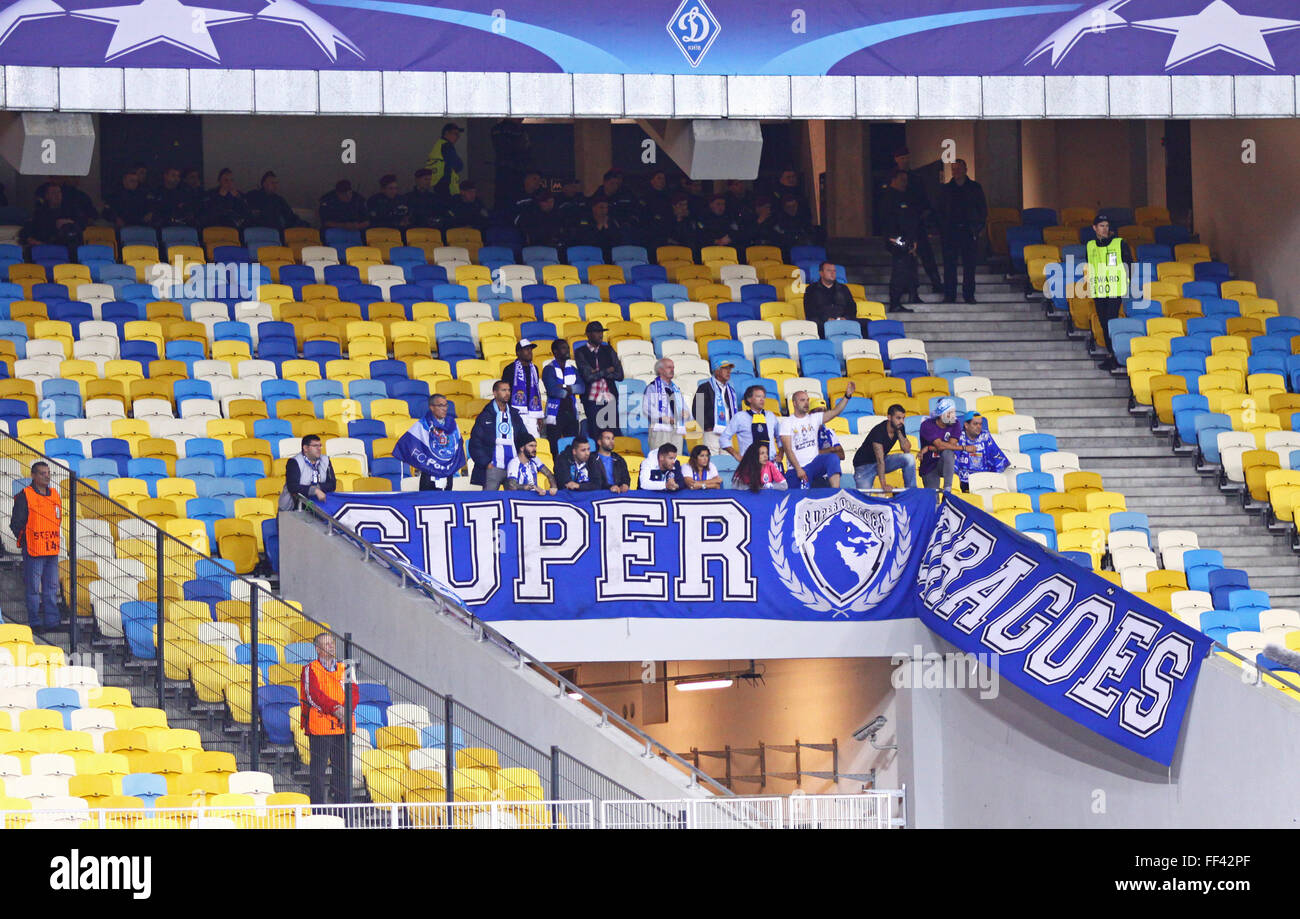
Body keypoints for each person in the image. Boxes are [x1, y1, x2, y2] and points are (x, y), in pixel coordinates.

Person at [300, 632, 352, 805]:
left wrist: (347, 709)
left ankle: (343, 811)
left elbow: (355, 692)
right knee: (318, 771)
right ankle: (317, 810)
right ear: (318, 649)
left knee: (343, 770)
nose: (330, 646)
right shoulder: (310, 669)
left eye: (332, 643)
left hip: (342, 726)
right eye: (326, 644)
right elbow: (312, 695)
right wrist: (336, 708)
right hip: (320, 726)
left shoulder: (347, 667)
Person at [9, 462, 61, 630]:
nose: (47, 476)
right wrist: (26, 541)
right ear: (33, 475)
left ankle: (52, 622)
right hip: (33, 551)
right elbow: (16, 523)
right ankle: (35, 623)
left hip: (52, 549)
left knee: (51, 588)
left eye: (48, 473)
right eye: (42, 473)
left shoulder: (55, 494)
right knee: (33, 589)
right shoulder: (25, 495)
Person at [780, 383, 856, 489]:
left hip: (814, 465)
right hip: (796, 468)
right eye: (802, 400)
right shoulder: (787, 422)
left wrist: (847, 396)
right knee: (799, 499)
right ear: (794, 403)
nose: (806, 403)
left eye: (807, 400)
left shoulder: (814, 418)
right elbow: (788, 450)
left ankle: (836, 492)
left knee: (833, 458)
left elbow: (835, 412)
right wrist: (798, 469)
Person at [890, 146, 943, 295]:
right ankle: (909, 288)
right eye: (901, 158)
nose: (904, 161)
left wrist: (923, 216)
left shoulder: (916, 179)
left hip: (916, 223)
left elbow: (924, 200)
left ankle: (936, 282)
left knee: (927, 255)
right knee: (906, 258)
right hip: (902, 227)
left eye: (906, 158)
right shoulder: (892, 179)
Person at [937, 158, 987, 304]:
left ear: (965, 170)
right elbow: (939, 210)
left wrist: (978, 227)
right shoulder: (946, 189)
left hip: (968, 230)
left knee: (969, 266)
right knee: (949, 265)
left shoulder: (975, 188)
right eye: (953, 169)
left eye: (958, 169)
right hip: (950, 231)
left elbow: (982, 209)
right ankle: (949, 295)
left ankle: (969, 295)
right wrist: (942, 228)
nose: (956, 172)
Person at [1088, 212, 1133, 371]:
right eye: (1101, 226)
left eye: (1106, 226)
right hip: (1099, 290)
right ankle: (1110, 353)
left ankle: (1115, 355)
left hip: (1115, 288)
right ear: (1095, 228)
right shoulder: (1090, 246)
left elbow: (1129, 264)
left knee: (1110, 321)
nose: (1105, 229)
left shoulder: (1119, 243)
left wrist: (1127, 283)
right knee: (1103, 323)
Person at [393, 393, 464, 491]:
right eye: (440, 405)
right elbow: (407, 443)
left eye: (446, 405)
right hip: (429, 472)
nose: (444, 408)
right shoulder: (423, 425)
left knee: (446, 503)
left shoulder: (452, 424)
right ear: (432, 407)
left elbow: (458, 445)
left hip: (448, 472)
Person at [470, 381, 532, 490]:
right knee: (489, 502)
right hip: (493, 467)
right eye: (503, 390)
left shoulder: (514, 415)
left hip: (512, 467)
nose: (507, 393)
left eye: (508, 390)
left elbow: (524, 438)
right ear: (495, 393)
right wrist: (486, 463)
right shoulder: (485, 416)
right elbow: (475, 443)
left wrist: (521, 460)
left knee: (514, 500)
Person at [853, 403, 916, 496]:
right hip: (864, 466)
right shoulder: (878, 432)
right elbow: (880, 460)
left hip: (882, 460)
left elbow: (907, 450)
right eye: (898, 418)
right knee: (864, 499)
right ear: (889, 417)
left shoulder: (899, 427)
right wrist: (884, 484)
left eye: (903, 418)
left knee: (909, 458)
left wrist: (899, 432)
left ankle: (912, 493)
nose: (901, 421)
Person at [575, 321, 623, 438]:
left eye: (601, 332)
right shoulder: (580, 352)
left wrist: (598, 372)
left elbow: (620, 375)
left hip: (609, 398)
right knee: (596, 435)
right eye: (597, 332)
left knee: (613, 435)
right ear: (588, 334)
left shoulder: (608, 349)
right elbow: (588, 377)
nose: (601, 335)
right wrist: (607, 370)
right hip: (592, 400)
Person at [880, 170, 918, 314]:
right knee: (899, 270)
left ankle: (910, 294)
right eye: (902, 180)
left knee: (907, 268)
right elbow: (888, 221)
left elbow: (910, 220)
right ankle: (895, 302)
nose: (905, 183)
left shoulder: (905, 197)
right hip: (896, 240)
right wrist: (893, 238)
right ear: (894, 180)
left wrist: (913, 240)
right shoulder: (888, 198)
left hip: (907, 239)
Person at [721, 384, 782, 464]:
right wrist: (736, 455)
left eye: (763, 397)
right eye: (758, 396)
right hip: (750, 463)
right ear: (749, 399)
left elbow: (779, 437)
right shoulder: (740, 417)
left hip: (770, 463)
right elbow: (723, 438)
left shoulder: (770, 416)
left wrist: (781, 454)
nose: (762, 399)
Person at [918, 398, 968, 493]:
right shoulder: (927, 425)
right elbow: (941, 446)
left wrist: (929, 448)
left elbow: (950, 446)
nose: (953, 416)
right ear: (941, 415)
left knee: (948, 452)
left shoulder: (956, 423)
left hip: (945, 463)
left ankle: (947, 490)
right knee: (933, 499)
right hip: (929, 465)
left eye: (953, 412)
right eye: (949, 413)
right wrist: (963, 448)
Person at [543, 339, 582, 459]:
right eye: (564, 348)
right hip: (555, 414)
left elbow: (581, 388)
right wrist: (570, 390)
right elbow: (553, 391)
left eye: (567, 348)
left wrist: (564, 387)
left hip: (571, 412)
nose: (567, 350)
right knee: (554, 448)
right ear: (555, 351)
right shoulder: (548, 369)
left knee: (573, 446)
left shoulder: (573, 369)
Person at [642, 358, 690, 454]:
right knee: (660, 458)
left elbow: (684, 406)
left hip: (676, 428)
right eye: (669, 367)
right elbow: (647, 408)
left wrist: (686, 413)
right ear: (660, 370)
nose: (672, 370)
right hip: (660, 429)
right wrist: (667, 419)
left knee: (676, 458)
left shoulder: (675, 389)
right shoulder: (652, 387)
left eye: (673, 367)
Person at [953, 411, 1010, 489]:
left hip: (984, 480)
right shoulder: (959, 437)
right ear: (966, 425)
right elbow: (953, 459)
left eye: (980, 424)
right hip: (962, 482)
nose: (979, 426)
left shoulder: (985, 436)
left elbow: (996, 458)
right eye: (975, 424)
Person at [802, 261, 861, 337]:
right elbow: (809, 310)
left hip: (842, 321)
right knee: (814, 323)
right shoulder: (811, 289)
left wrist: (845, 318)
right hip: (822, 322)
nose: (832, 273)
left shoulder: (843, 289)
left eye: (834, 271)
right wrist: (826, 319)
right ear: (821, 273)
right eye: (829, 270)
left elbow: (852, 307)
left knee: (866, 323)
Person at [501, 339, 544, 437]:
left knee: (534, 441)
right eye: (526, 349)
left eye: (530, 349)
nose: (530, 352)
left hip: (532, 413)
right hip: (516, 412)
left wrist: (538, 416)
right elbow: (504, 392)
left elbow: (536, 391)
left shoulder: (534, 369)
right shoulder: (510, 369)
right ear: (518, 353)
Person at [280, 434, 336, 509]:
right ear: (305, 448)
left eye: (320, 445)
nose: (319, 448)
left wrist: (317, 488)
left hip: (319, 506)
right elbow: (293, 487)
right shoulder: (294, 462)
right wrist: (315, 490)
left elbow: (332, 485)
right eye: (315, 446)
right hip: (292, 508)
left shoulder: (326, 460)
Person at [694, 360, 738, 454]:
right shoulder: (704, 387)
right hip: (712, 431)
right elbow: (697, 409)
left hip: (727, 432)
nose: (729, 371)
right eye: (725, 368)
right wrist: (707, 426)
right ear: (717, 371)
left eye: (729, 369)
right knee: (712, 461)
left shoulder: (730, 390)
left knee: (727, 464)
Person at [22, 183, 83, 248]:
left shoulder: (71, 210)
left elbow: (83, 223)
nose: (57, 195)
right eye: (53, 193)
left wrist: (69, 222)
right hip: (46, 248)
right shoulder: (40, 213)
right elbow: (28, 230)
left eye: (59, 192)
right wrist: (31, 240)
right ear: (47, 196)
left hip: (68, 248)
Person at [426, 122, 463, 200]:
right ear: (446, 133)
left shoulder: (438, 145)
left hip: (437, 184)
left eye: (458, 135)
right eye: (455, 134)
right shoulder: (447, 146)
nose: (457, 137)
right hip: (447, 186)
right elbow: (458, 165)